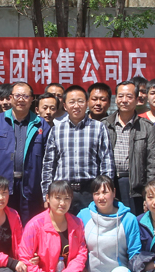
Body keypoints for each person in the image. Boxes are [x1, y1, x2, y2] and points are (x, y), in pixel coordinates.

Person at [19, 181, 93, 272]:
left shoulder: (77, 223)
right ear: (48, 198)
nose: (62, 203)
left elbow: (81, 254)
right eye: (57, 198)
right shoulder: (35, 225)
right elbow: (25, 259)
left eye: (67, 198)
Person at [77, 175, 140, 272]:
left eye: (105, 192)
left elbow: (135, 254)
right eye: (96, 193)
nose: (101, 197)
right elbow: (77, 247)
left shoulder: (129, 219)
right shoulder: (83, 216)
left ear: (114, 192)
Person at [40, 85, 114, 213]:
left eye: (80, 101)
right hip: (63, 191)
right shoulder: (56, 130)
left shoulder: (98, 128)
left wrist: (106, 191)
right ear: (65, 106)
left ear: (87, 103)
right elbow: (48, 165)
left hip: (90, 191)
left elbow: (106, 162)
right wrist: (46, 194)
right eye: (72, 102)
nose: (76, 106)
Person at [0, 81, 48, 222]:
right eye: (17, 95)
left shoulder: (41, 124)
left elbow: (48, 160)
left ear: (32, 99)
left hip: (31, 188)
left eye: (25, 96)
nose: (21, 99)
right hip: (2, 188)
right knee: (4, 224)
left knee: (29, 225)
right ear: (11, 98)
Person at [104, 80, 155, 214]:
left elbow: (153, 164)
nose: (124, 100)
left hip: (136, 186)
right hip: (110, 184)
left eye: (129, 97)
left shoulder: (147, 127)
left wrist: (150, 194)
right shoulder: (104, 125)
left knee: (135, 222)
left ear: (136, 100)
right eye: (120, 96)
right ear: (116, 99)